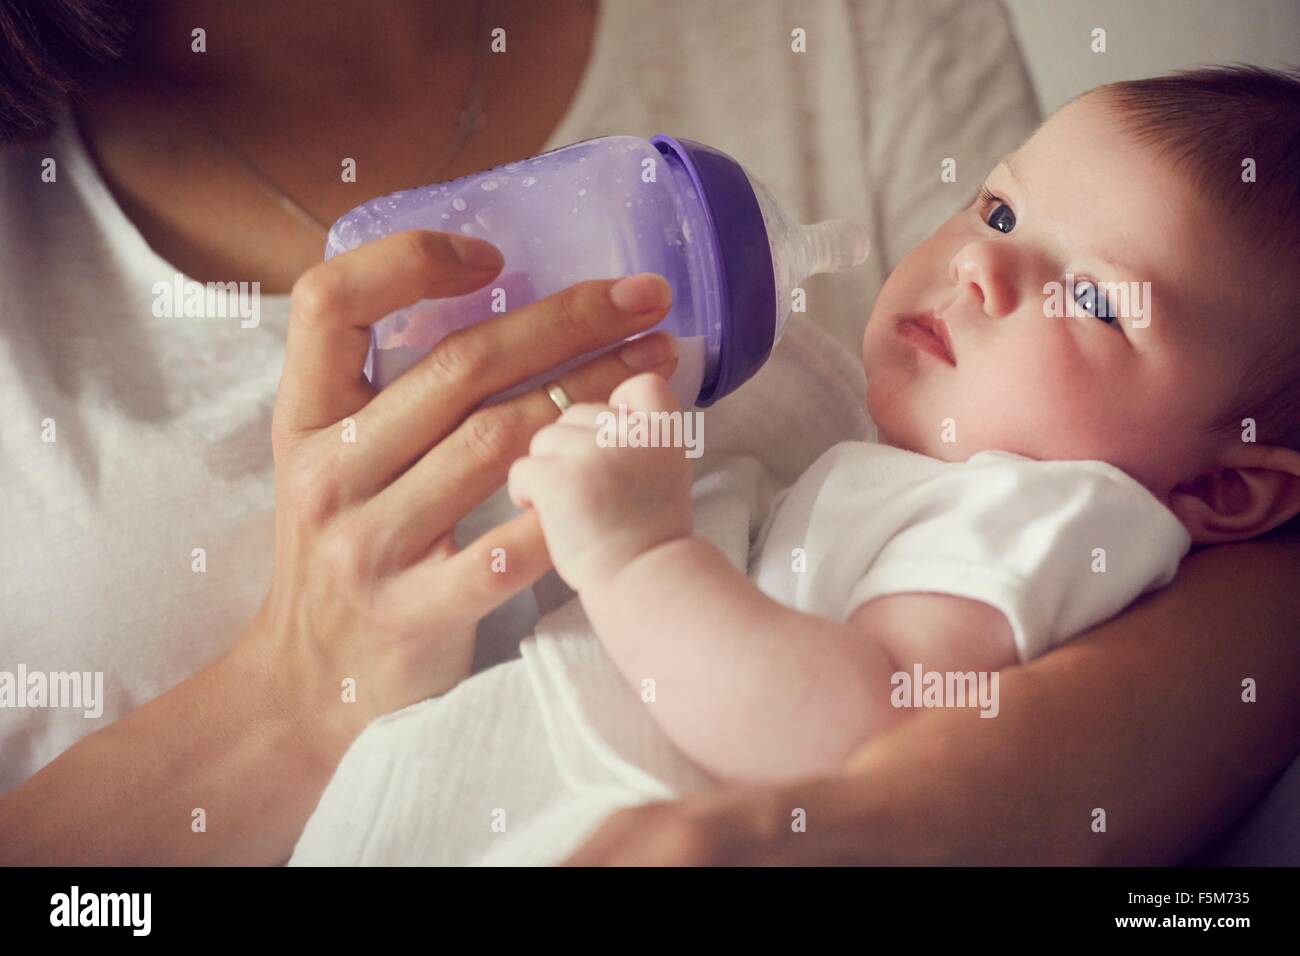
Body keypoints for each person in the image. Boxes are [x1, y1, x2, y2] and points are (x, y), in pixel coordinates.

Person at [0, 0, 1296, 866]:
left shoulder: (1046, 518)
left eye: (1092, 299)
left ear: (1233, 491)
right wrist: (291, 691)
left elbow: (870, 727)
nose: (981, 274)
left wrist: (635, 554)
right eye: (998, 215)